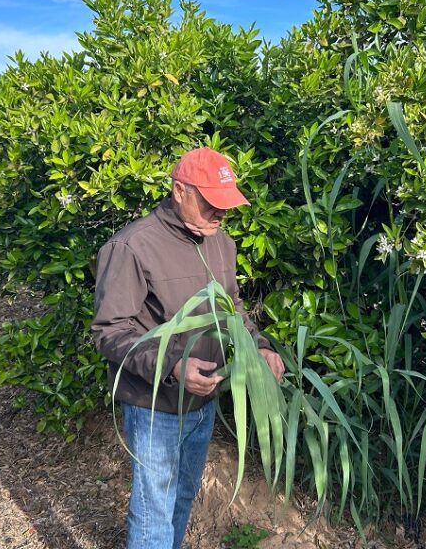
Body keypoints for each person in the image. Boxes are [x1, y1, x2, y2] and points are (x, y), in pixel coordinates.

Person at [91, 147, 284, 549]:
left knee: (181, 498)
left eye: (226, 205)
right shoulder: (131, 247)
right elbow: (109, 332)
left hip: (202, 406)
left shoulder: (221, 243)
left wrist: (260, 346)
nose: (220, 214)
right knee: (153, 512)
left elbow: (232, 310)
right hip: (154, 407)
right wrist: (174, 367)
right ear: (180, 191)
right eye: (211, 204)